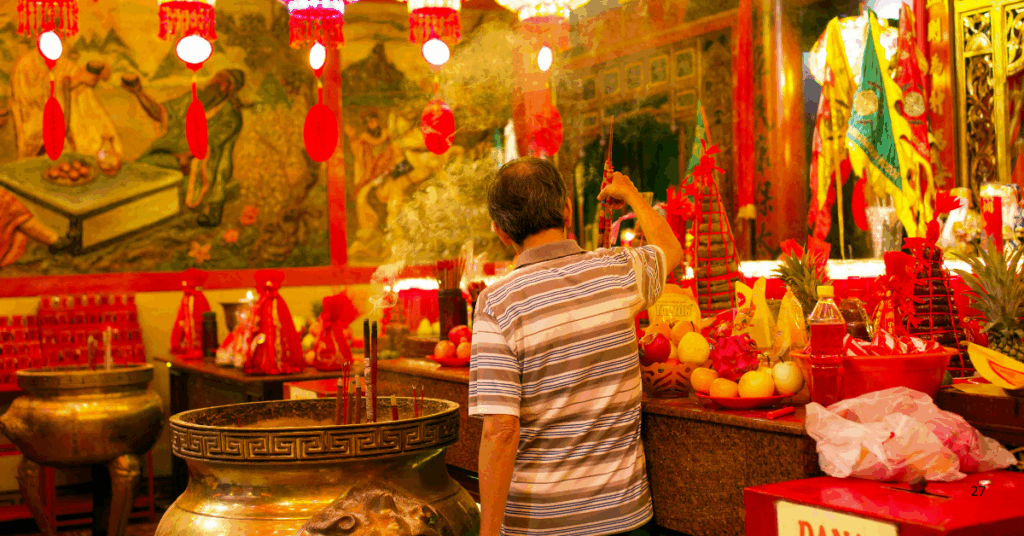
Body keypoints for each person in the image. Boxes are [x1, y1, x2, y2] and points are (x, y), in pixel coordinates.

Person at [469, 158, 684, 536]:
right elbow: (671, 250)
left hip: (542, 525)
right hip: (625, 517)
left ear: (501, 232)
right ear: (567, 210)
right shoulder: (619, 271)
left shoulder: (496, 302)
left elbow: (501, 430)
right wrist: (632, 195)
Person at [123, 69, 246, 227]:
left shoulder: (231, 114)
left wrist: (187, 156)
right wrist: (139, 93)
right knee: (142, 164)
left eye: (224, 81)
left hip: (203, 161)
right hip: (171, 152)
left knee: (215, 172)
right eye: (217, 77)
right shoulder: (193, 99)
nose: (217, 82)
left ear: (231, 89)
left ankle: (212, 211)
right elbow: (162, 112)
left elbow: (212, 144)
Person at [10, 52, 121, 159]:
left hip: (65, 119)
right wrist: (73, 81)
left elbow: (80, 85)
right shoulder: (26, 63)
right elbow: (28, 96)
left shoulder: (65, 63)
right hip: (36, 118)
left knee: (91, 121)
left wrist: (97, 76)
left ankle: (101, 153)